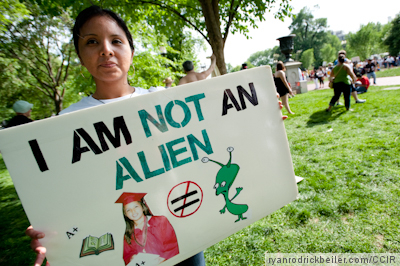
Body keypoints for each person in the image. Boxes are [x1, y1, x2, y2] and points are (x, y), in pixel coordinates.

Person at [25, 6, 287, 266]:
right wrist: (50, 234)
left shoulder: (164, 101)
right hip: (128, 243)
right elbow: (62, 193)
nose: (106, 49)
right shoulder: (63, 127)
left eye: (116, 40)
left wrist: (261, 113)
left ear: (131, 51)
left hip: (183, 228)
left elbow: (219, 131)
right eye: (92, 42)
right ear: (80, 57)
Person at [116, 193, 179, 265]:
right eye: (128, 210)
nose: (133, 211)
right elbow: (127, 255)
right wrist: (131, 258)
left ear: (142, 207)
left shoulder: (160, 222)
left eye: (136, 206)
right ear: (125, 214)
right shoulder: (128, 234)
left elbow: (172, 245)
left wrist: (164, 261)